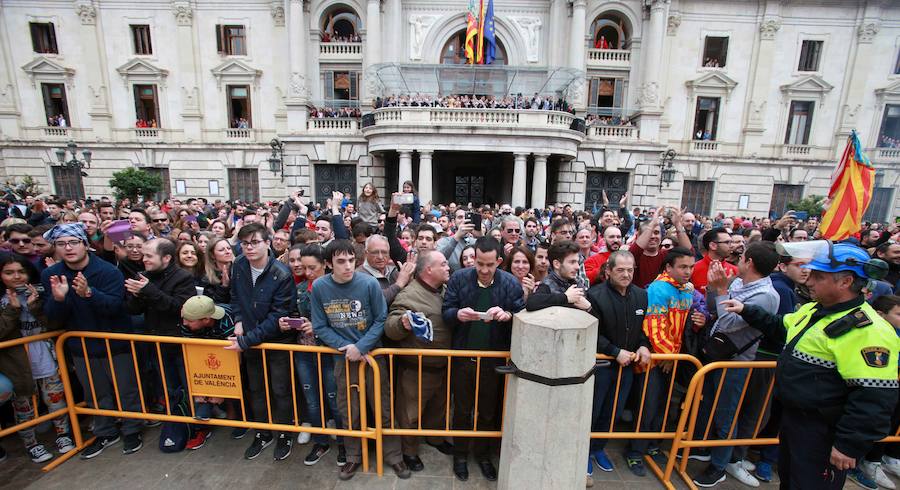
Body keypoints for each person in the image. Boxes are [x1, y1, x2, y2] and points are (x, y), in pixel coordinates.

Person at [720, 242, 900, 490]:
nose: (809, 280)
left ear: (846, 282)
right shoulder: (816, 310)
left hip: (825, 433)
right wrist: (747, 310)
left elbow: (874, 396)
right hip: (797, 422)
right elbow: (782, 326)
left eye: (818, 276)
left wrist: (848, 446)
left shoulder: (869, 332)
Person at [40, 223, 144, 459]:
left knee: (126, 389)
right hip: (81, 345)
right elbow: (54, 318)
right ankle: (106, 432)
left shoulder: (108, 271)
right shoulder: (51, 274)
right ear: (55, 247)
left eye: (73, 242)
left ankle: (132, 430)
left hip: (114, 343)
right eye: (61, 244)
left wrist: (89, 293)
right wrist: (58, 299)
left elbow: (116, 307)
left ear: (85, 245)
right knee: (95, 392)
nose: (68, 248)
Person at [309, 239, 409, 481]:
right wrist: (346, 348)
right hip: (344, 358)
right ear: (329, 263)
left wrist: (362, 346)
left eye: (351, 260)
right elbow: (320, 326)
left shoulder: (369, 284)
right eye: (341, 261)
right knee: (349, 409)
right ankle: (353, 456)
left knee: (382, 406)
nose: (347, 266)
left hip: (373, 356)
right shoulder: (320, 287)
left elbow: (380, 318)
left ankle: (394, 455)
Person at [692, 241, 780, 487]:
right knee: (709, 405)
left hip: (736, 363)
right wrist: (714, 288)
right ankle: (706, 449)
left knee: (726, 416)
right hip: (716, 356)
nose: (737, 260)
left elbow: (730, 323)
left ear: (749, 262)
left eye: (741, 257)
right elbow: (715, 310)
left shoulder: (766, 296)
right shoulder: (739, 283)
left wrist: (721, 291)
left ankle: (719, 466)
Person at [442, 236, 525, 482]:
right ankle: (460, 455)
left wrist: (508, 315)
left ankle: (484, 455)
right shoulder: (459, 278)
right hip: (464, 356)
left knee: (488, 411)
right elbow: (446, 312)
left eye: (490, 264)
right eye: (480, 264)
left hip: (493, 359)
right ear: (474, 259)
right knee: (462, 410)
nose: (484, 270)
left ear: (499, 261)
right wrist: (457, 313)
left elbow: (522, 315)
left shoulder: (510, 283)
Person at [224, 223, 296, 461]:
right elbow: (235, 297)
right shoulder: (239, 266)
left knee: (281, 390)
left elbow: (278, 316)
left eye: (255, 242)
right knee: (256, 389)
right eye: (245, 243)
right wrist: (238, 320)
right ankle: (262, 433)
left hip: (277, 342)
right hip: (250, 339)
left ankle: (285, 435)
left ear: (268, 243)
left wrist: (245, 341)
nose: (249, 247)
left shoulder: (282, 274)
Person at [384, 250, 454, 471]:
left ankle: (435, 438)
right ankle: (410, 451)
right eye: (443, 264)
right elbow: (390, 328)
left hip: (443, 365)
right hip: (417, 370)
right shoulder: (409, 295)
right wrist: (402, 323)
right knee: (410, 414)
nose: (448, 267)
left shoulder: (446, 290)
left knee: (438, 408)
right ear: (428, 270)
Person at [0, 254, 73, 463]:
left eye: (21, 272)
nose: (16, 277)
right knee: (23, 406)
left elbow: (54, 323)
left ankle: (64, 435)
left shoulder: (40, 293)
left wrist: (34, 305)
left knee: (56, 401)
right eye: (9, 272)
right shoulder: (3, 301)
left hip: (46, 357)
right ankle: (32, 444)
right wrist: (12, 311)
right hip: (16, 362)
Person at [629, 247, 695, 463]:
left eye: (691, 267)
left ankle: (653, 444)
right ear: (669, 267)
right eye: (683, 267)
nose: (688, 271)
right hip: (655, 360)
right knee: (647, 406)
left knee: (664, 406)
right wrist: (667, 356)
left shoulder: (688, 290)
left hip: (674, 360)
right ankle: (635, 452)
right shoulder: (658, 288)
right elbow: (655, 326)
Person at [284, 244, 346, 467]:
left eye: (313, 268)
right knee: (312, 401)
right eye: (305, 268)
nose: (308, 273)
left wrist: (319, 327)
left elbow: (344, 323)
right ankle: (320, 441)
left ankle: (343, 442)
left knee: (335, 399)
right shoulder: (300, 290)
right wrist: (287, 323)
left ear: (325, 266)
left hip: (329, 352)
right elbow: (292, 312)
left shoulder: (337, 290)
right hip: (304, 351)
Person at [179, 295, 235, 450]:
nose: (184, 323)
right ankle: (202, 424)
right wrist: (201, 387)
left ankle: (239, 419)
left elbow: (234, 358)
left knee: (238, 388)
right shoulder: (188, 320)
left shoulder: (228, 320)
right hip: (203, 355)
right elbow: (193, 354)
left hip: (229, 356)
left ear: (206, 319)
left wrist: (221, 389)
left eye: (190, 321)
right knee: (198, 387)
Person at [525, 240, 591, 312]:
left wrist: (589, 308)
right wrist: (565, 298)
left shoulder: (577, 283)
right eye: (572, 262)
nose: (577, 267)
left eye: (577, 262)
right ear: (557, 264)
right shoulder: (547, 284)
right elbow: (531, 303)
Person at [691, 227, 736, 294]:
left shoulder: (734, 270)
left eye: (731, 242)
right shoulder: (693, 269)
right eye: (727, 242)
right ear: (713, 245)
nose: (732, 246)